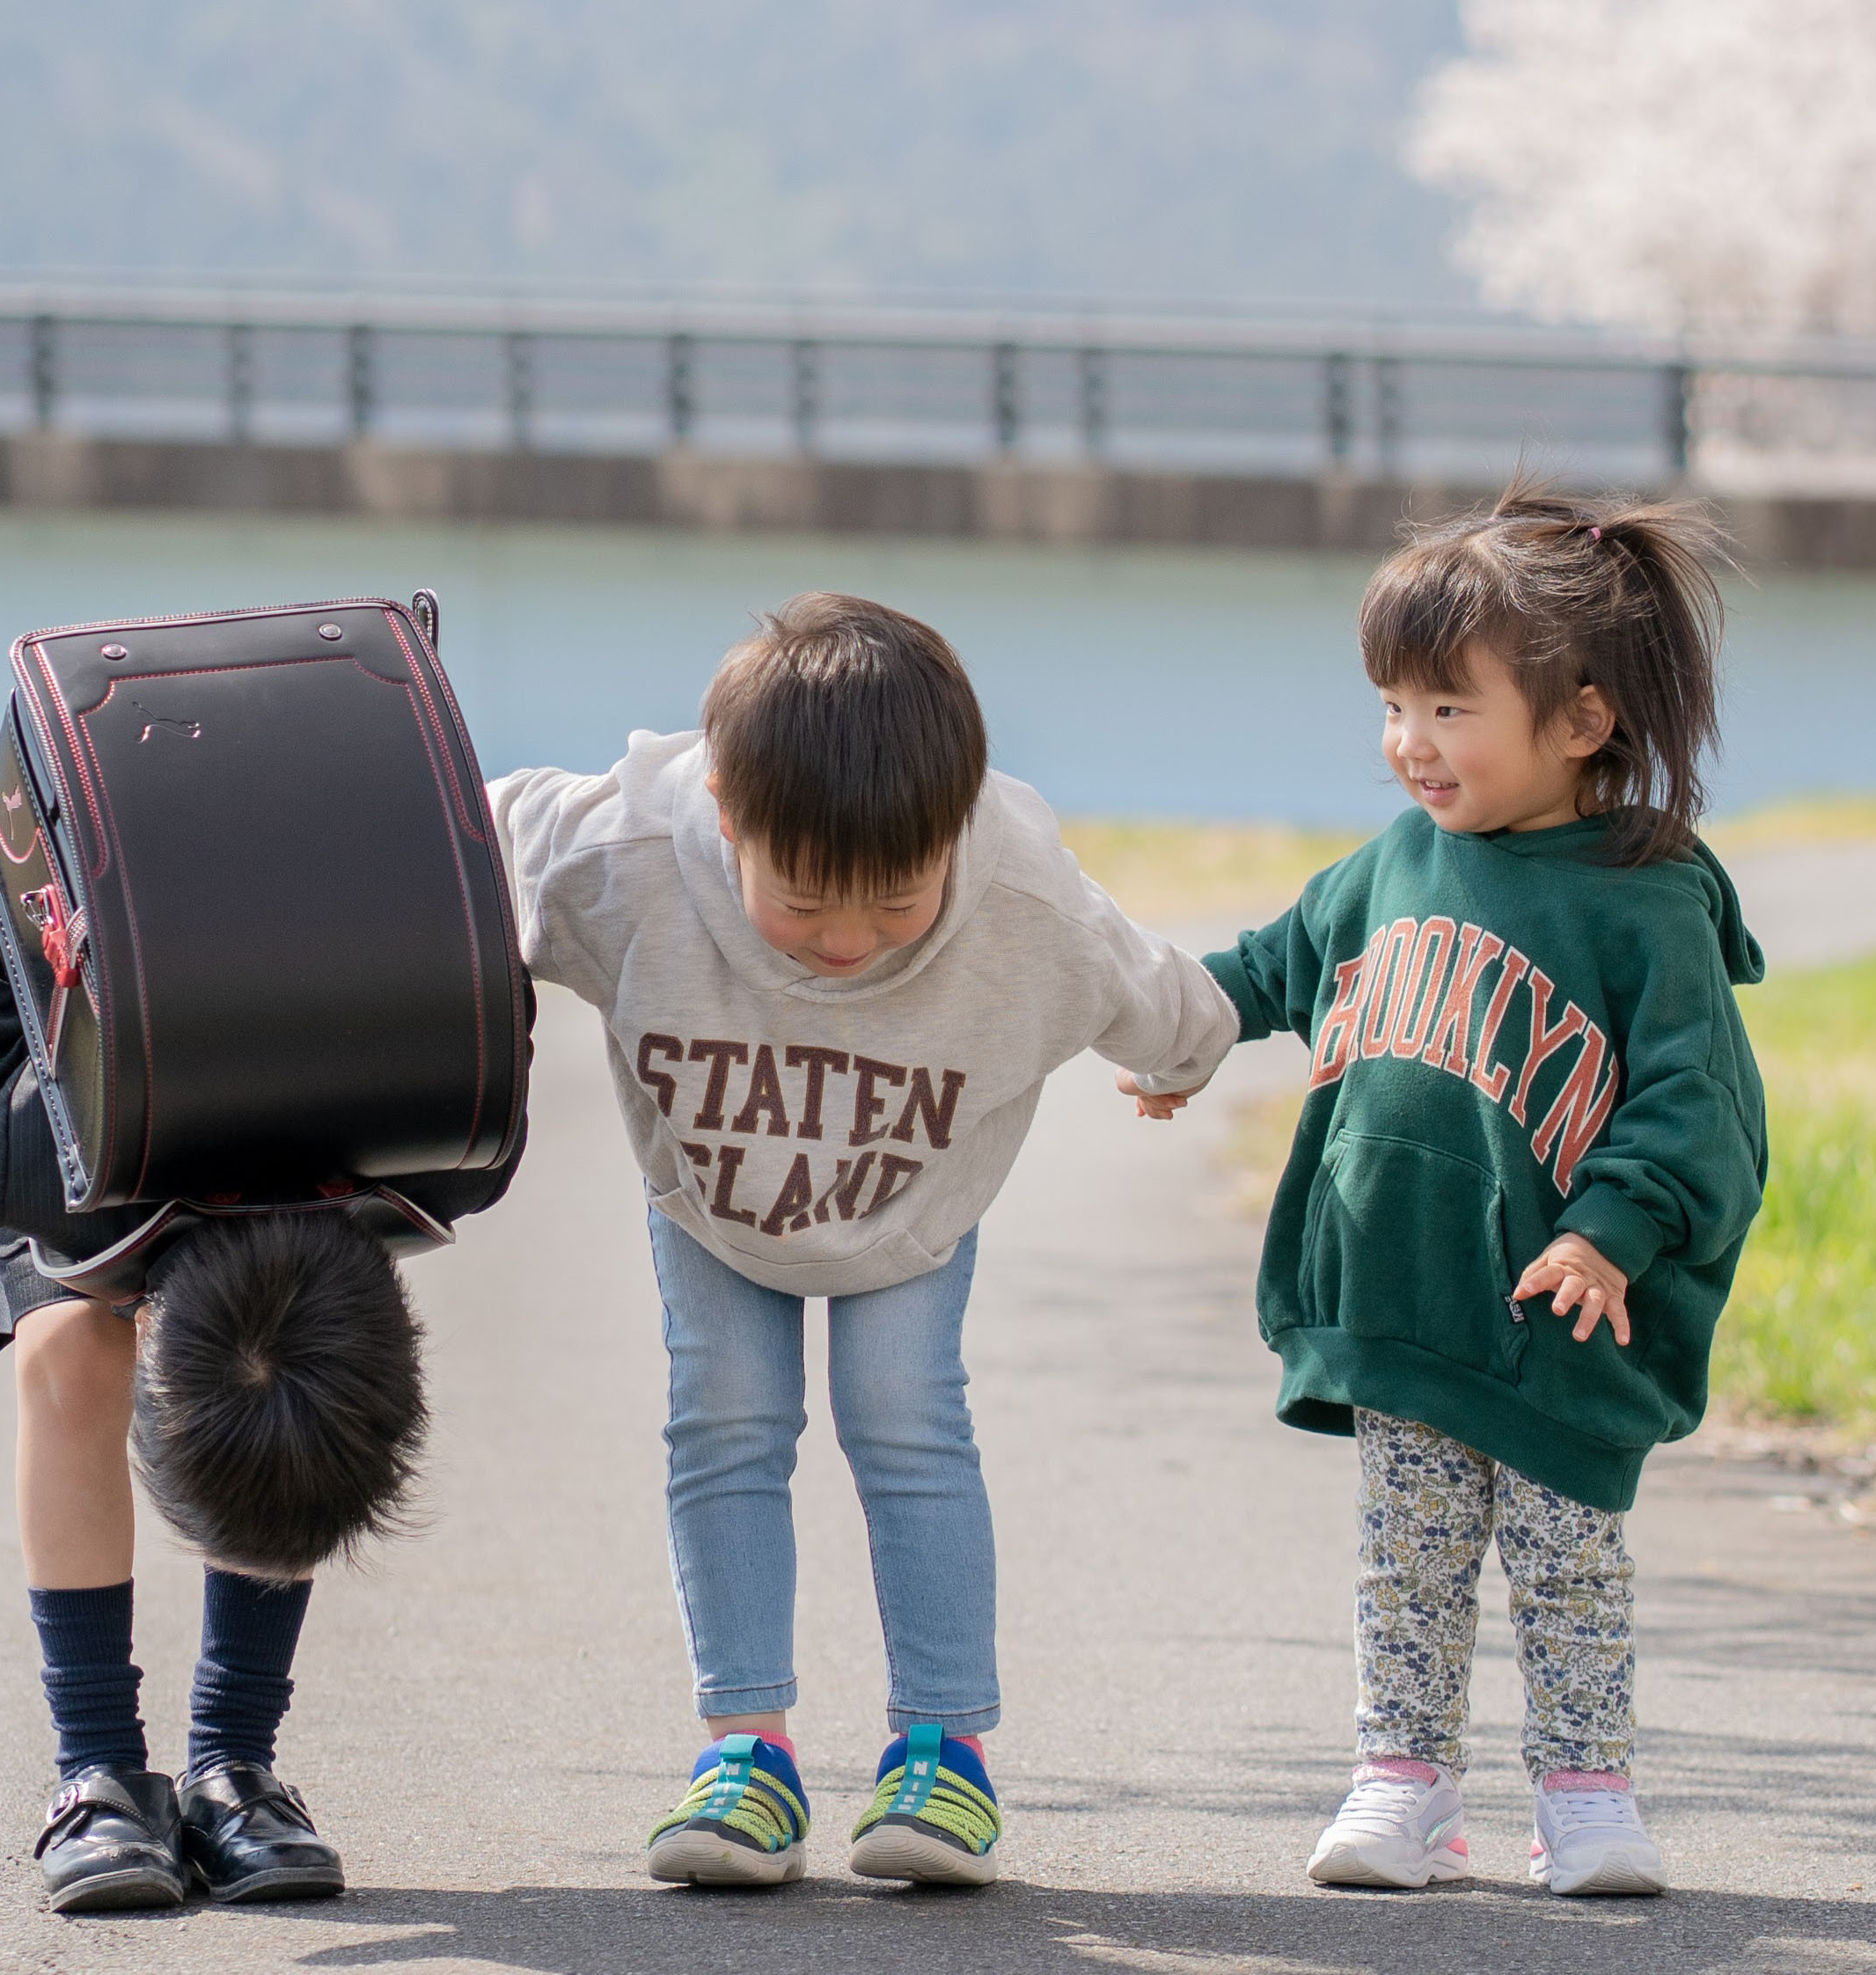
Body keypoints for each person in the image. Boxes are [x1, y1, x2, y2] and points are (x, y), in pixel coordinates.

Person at [488, 591, 1237, 1887]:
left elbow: (1148, 986)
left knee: (903, 1419)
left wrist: (1185, 1056)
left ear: (951, 832)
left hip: (905, 1216)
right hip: (716, 1209)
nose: (844, 942)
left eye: (893, 905)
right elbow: (458, 834)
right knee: (723, 1421)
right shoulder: (617, 853)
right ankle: (747, 1754)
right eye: (808, 903)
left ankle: (944, 1753)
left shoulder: (1019, 895)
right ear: (726, 815)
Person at [1128, 485, 1766, 1897]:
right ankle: (1399, 1782)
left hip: (1557, 1320)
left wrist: (1613, 1231)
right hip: (1403, 1299)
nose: (1406, 743)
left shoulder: (1642, 900)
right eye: (1392, 704)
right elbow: (1268, 967)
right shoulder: (1387, 865)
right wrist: (1177, 1039)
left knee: (1563, 1566)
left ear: (1581, 723)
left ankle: (1587, 1794)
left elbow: (1692, 1106)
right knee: (1403, 1564)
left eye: (1446, 708)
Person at [0, 928, 502, 1914]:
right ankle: (97, 1767)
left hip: (311, 1044)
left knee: (302, 1370)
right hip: (71, 1056)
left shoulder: (444, 1138)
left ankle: (232, 1759)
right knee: (70, 1349)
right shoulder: (31, 1158)